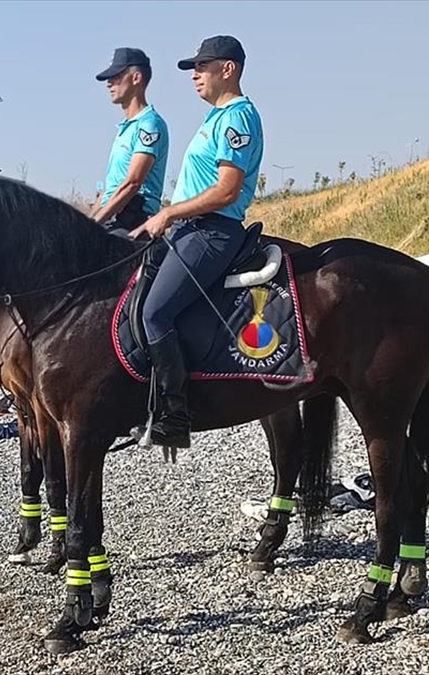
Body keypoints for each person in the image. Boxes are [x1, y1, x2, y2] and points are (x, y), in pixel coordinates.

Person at [130, 35, 264, 449]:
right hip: (190, 230)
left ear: (229, 69)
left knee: (154, 314)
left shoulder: (238, 118)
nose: (194, 75)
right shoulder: (215, 119)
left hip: (211, 231)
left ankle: (175, 414)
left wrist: (169, 212)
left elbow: (226, 190)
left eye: (202, 67)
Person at [89, 47, 170, 233]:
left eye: (116, 76)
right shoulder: (127, 128)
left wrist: (94, 226)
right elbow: (110, 189)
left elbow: (133, 183)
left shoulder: (149, 124)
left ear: (136, 78)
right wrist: (87, 222)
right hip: (113, 218)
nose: (109, 83)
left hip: (132, 219)